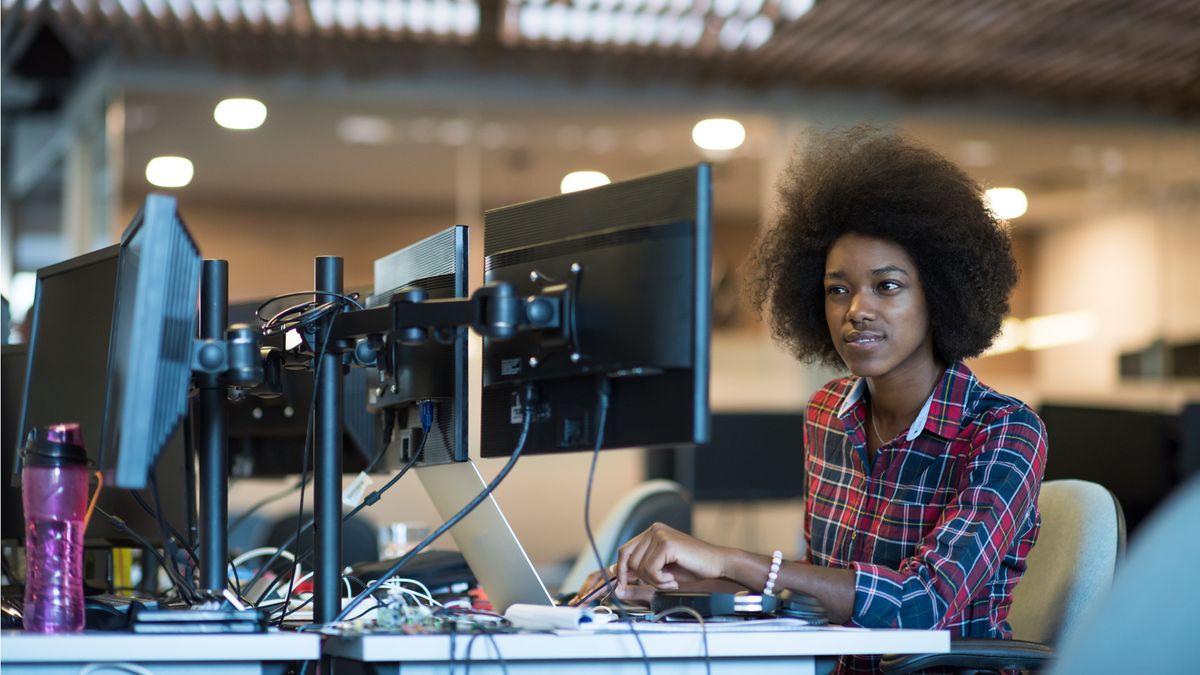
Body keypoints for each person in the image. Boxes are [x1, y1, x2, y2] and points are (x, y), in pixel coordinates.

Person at [577, 126, 1048, 674]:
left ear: (940, 293)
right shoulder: (828, 413)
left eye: (888, 286)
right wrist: (672, 584)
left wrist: (728, 557)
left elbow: (920, 605)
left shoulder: (1004, 432)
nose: (857, 310)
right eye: (838, 288)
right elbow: (815, 580)